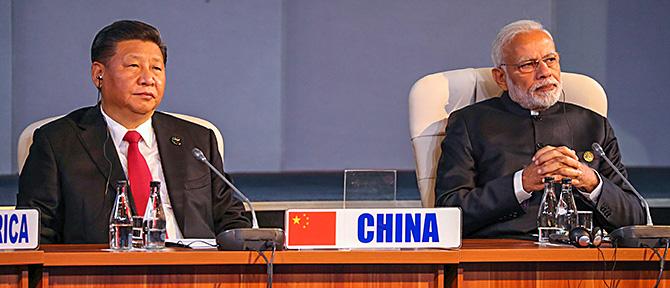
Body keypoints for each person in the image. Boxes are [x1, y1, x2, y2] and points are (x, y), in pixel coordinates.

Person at [17, 20, 251, 244]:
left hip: (195, 274)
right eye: (133, 66)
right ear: (99, 74)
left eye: (157, 68)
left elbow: (231, 220)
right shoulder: (57, 142)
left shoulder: (197, 140)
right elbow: (37, 232)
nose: (148, 79)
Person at [434, 20, 645, 238]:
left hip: (583, 259)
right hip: (499, 260)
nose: (545, 72)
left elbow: (636, 218)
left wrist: (590, 181)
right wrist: (521, 183)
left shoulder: (594, 125)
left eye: (550, 60)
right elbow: (448, 215)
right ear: (501, 78)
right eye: (528, 64)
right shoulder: (469, 124)